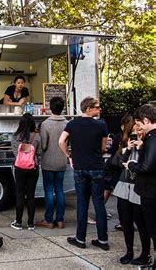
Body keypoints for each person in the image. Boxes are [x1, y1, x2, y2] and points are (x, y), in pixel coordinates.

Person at [59, 96, 109, 251]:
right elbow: (103, 147)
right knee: (99, 203)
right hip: (96, 167)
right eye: (97, 107)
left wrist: (69, 156)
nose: (99, 109)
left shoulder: (72, 124)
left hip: (80, 168)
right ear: (88, 109)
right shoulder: (101, 125)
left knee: (82, 203)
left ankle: (80, 238)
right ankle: (102, 240)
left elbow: (61, 141)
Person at [112, 120, 152, 266]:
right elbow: (117, 163)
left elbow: (147, 166)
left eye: (139, 131)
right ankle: (129, 252)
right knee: (126, 221)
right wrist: (127, 149)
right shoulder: (125, 146)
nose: (137, 135)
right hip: (124, 185)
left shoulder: (148, 145)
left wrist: (141, 148)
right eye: (133, 133)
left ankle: (146, 253)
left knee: (141, 223)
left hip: (138, 187)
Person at [123, 104, 156, 270]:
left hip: (150, 190)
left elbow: (147, 167)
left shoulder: (152, 137)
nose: (138, 128)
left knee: (153, 229)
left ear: (146, 120)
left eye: (140, 124)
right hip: (149, 189)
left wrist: (132, 165)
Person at [37, 96, 68, 229]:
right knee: (60, 190)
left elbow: (43, 145)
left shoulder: (45, 124)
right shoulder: (67, 123)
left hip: (48, 161)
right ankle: (60, 220)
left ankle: (49, 220)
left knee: (49, 190)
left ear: (50, 107)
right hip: (62, 160)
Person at [10, 113, 41, 230]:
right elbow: (40, 152)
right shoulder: (37, 136)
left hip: (19, 168)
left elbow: (15, 153)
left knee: (20, 195)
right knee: (31, 196)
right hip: (33, 168)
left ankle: (18, 222)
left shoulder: (15, 136)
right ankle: (31, 223)